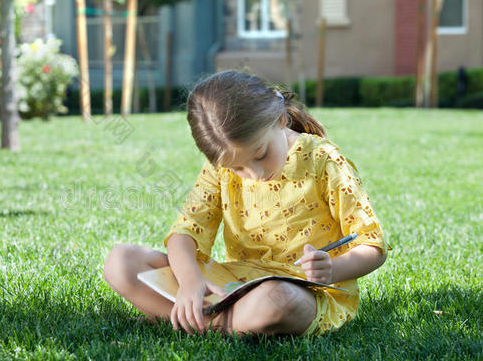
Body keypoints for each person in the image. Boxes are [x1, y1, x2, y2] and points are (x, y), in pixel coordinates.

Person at [104, 70, 390, 336]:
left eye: (261, 154)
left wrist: (332, 269)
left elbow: (372, 245)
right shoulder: (221, 167)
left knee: (278, 300)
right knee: (121, 261)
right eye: (238, 168)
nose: (255, 173)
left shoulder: (323, 161)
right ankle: (213, 319)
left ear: (280, 119)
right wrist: (191, 283)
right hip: (233, 285)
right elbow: (184, 234)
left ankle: (187, 320)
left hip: (307, 293)